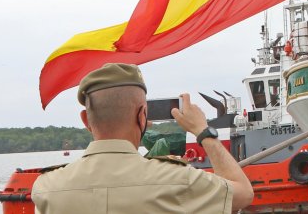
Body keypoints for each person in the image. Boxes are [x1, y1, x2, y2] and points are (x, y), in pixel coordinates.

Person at [32, 63, 253, 213]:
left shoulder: (46, 189)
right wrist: (204, 132)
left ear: (85, 120)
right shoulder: (179, 180)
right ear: (142, 115)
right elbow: (243, 193)